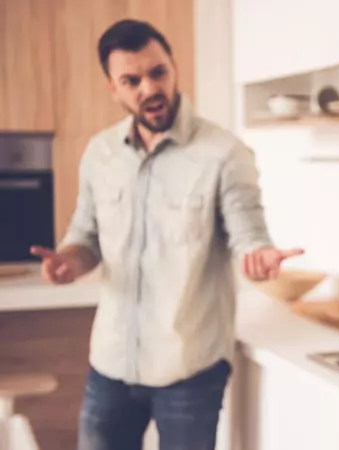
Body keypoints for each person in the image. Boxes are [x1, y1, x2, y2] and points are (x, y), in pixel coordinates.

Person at [29, 19, 302, 450]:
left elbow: (248, 232)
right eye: (131, 80)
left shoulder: (224, 154)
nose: (148, 88)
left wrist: (260, 257)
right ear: (113, 88)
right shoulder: (100, 154)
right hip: (110, 363)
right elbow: (86, 238)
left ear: (173, 68)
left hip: (189, 369)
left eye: (157, 72)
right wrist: (68, 262)